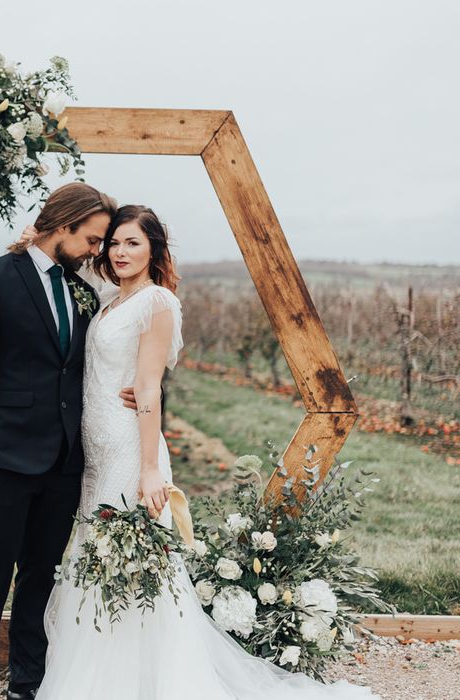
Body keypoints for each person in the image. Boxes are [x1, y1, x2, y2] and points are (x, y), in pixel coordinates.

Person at [28, 204, 382, 699]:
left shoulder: (156, 303)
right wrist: (36, 237)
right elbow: (70, 263)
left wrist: (151, 470)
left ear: (154, 248)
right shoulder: (111, 298)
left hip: (132, 452)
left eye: (133, 242)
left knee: (130, 567)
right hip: (95, 452)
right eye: (113, 242)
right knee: (97, 558)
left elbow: (149, 389)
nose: (119, 251)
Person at [0, 182, 131, 700]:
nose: (97, 252)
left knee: (39, 581)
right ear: (62, 226)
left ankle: (26, 686)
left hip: (64, 462)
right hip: (0, 459)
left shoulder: (82, 290)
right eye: (92, 240)